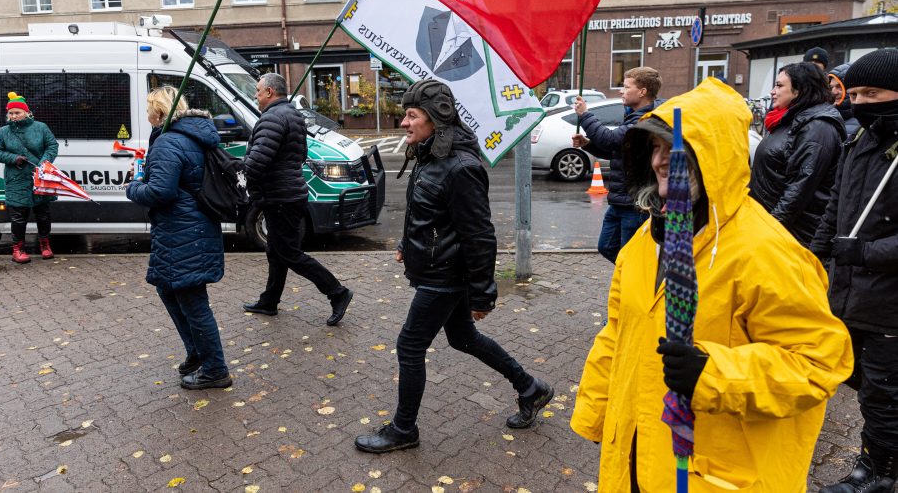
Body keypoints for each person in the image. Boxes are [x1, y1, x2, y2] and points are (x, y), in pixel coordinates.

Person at [570, 78, 853, 492]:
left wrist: (713, 373)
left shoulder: (765, 252)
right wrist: (598, 414)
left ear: (714, 159)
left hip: (713, 472)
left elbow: (820, 363)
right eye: (655, 148)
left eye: (676, 150)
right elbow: (618, 333)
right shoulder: (643, 242)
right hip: (636, 455)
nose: (661, 161)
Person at [355, 79, 553, 454]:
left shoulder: (461, 167)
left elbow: (480, 236)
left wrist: (483, 294)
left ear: (436, 120)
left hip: (445, 275)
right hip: (438, 269)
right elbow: (430, 216)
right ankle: (531, 388)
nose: (403, 124)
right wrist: (405, 245)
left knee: (410, 346)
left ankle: (403, 430)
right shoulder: (432, 155)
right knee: (463, 339)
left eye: (411, 116)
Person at [811, 48, 898, 493]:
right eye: (857, 93)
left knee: (882, 393)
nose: (861, 102)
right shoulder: (859, 140)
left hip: (889, 302)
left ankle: (879, 473)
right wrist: (814, 256)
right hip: (850, 292)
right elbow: (837, 211)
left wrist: (865, 252)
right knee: (859, 377)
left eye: (873, 93)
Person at [126, 86, 231, 390]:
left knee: (193, 301)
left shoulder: (169, 142)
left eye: (148, 109)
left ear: (158, 112)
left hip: (182, 231)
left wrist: (133, 187)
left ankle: (215, 369)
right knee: (168, 289)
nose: (146, 115)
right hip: (192, 228)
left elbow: (161, 191)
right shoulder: (193, 136)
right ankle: (197, 353)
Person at [242, 74, 353, 326]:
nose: (256, 96)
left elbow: (257, 161)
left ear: (269, 92)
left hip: (279, 196)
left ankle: (338, 292)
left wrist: (243, 169)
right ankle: (269, 301)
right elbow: (300, 153)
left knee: (289, 253)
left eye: (258, 91)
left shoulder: (271, 117)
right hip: (288, 194)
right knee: (276, 250)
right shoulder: (292, 114)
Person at [572, 66, 663, 263]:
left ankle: (635, 285)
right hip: (620, 201)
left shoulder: (645, 120)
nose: (621, 91)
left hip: (635, 204)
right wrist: (588, 145)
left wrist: (585, 115)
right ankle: (633, 278)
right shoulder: (632, 115)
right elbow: (616, 150)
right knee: (606, 247)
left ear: (642, 91)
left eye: (626, 86)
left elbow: (610, 139)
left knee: (630, 257)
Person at [749, 62, 845, 247]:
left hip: (794, 235)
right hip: (773, 226)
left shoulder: (818, 127)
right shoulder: (788, 119)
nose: (772, 91)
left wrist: (770, 228)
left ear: (799, 90)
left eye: (779, 85)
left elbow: (800, 188)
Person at [0, 92, 59, 263]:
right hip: (16, 180)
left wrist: (43, 163)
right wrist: (13, 158)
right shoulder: (4, 131)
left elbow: (52, 146)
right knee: (19, 216)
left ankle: (45, 244)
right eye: (11, 113)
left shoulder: (41, 127)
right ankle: (17, 249)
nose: (13, 116)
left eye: (17, 112)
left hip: (40, 178)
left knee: (43, 214)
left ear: (26, 112)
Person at [828, 62, 862, 139]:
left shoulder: (864, 123)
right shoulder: (825, 117)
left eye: (839, 86)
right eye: (831, 87)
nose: (834, 92)